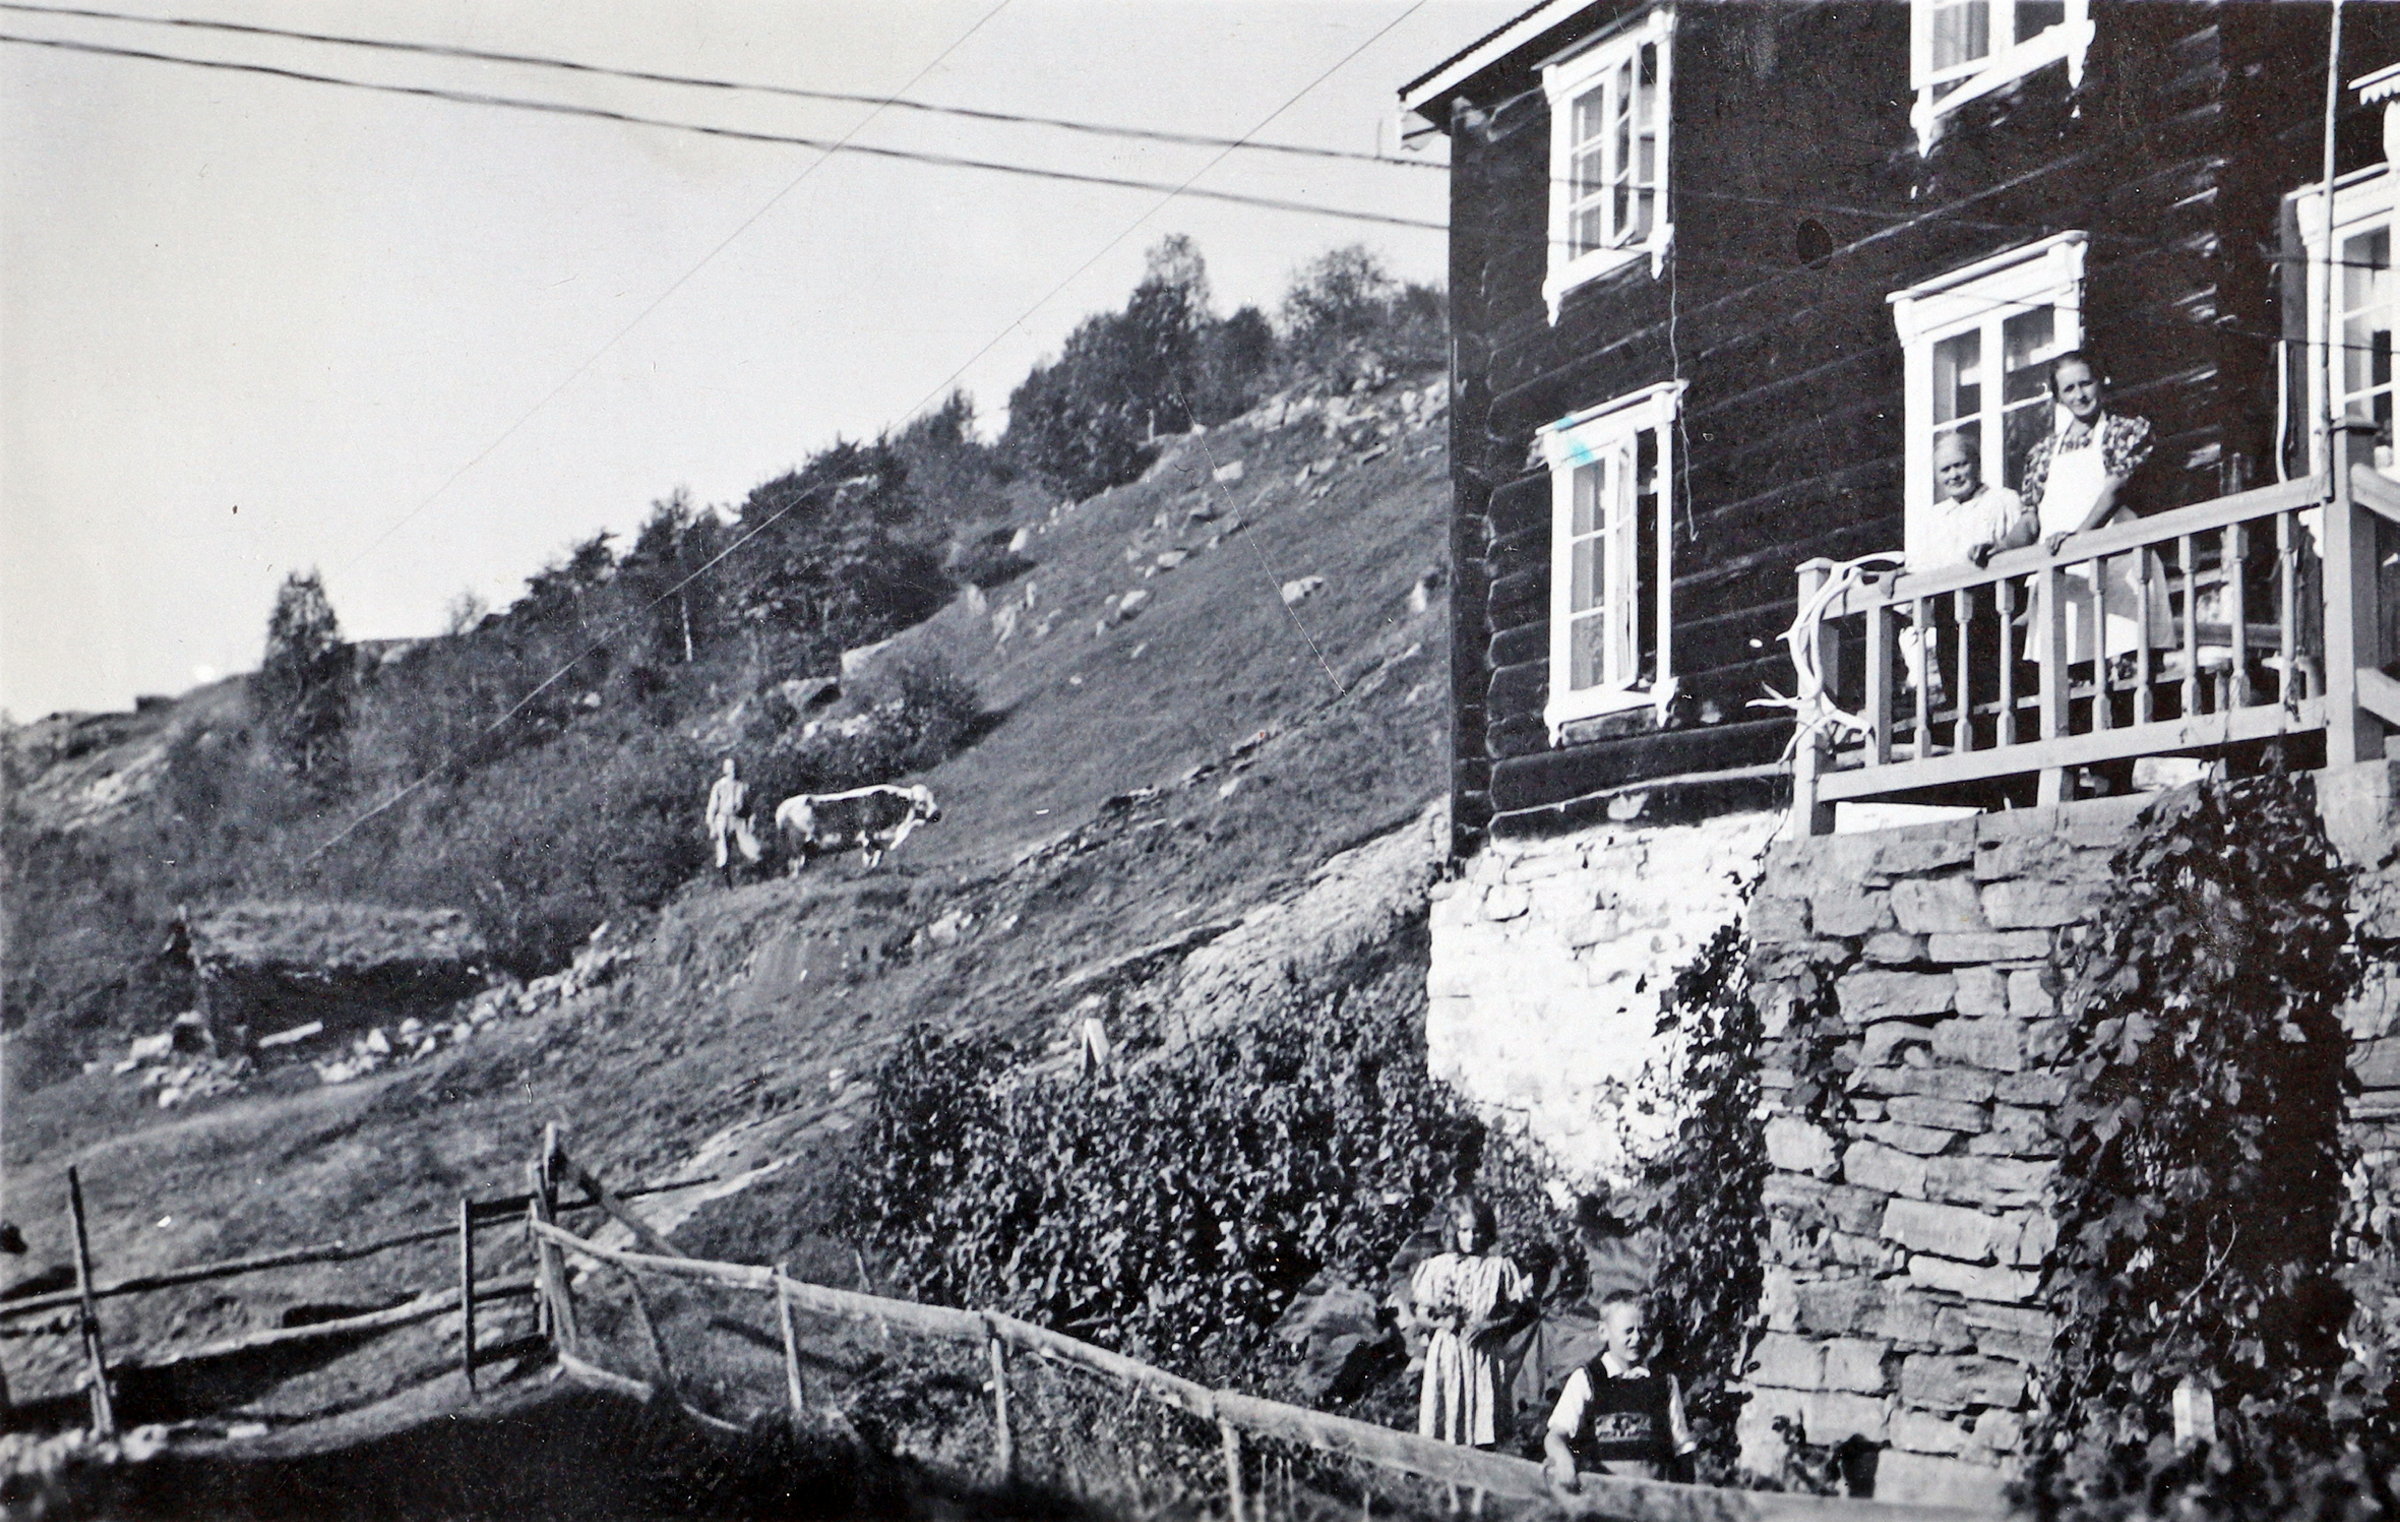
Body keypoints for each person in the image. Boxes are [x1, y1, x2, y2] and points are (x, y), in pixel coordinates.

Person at [2020, 351, 2168, 670]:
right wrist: (2001, 545)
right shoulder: (2042, 453)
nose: (2080, 395)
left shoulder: (2125, 431)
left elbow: (2115, 490)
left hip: (2120, 572)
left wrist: (2078, 539)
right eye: (2069, 389)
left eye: (2085, 383)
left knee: (2132, 673)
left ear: (2100, 383)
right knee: (2073, 678)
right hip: (2066, 580)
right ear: (2058, 397)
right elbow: (2029, 518)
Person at [1901, 434, 2037, 705]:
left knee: (2000, 691)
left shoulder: (2003, 500)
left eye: (1960, 465)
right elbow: (1920, 569)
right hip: (1950, 620)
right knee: (1961, 696)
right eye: (1945, 469)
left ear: (1976, 463)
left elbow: (2024, 550)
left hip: (1995, 611)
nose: (1954, 475)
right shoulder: (1934, 518)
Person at [1404, 1193, 1532, 1448]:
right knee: (1446, 1421)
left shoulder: (1497, 1267)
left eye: (1476, 1231)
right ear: (1454, 1231)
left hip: (1483, 1353)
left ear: (1487, 1232)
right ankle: (1445, 1472)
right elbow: (1421, 1311)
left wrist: (1489, 1326)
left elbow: (1519, 1312)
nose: (1471, 1238)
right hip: (1448, 1352)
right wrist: (1442, 1323)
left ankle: (1480, 1470)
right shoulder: (1437, 1266)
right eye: (1464, 1231)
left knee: (1482, 1426)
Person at [1543, 1291, 1695, 1489]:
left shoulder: (1664, 1383)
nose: (1637, 1338)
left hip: (1651, 1497)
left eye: (1644, 1329)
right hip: (1600, 1494)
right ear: (1603, 1332)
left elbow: (1682, 1446)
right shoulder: (1587, 1379)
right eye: (1628, 1331)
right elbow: (1555, 1435)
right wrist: (1562, 1458)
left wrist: (1687, 1494)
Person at [704, 757, 761, 888]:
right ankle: (729, 886)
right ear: (725, 770)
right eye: (729, 767)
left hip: (739, 819)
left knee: (753, 848)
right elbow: (712, 807)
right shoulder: (719, 786)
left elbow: (749, 807)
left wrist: (751, 821)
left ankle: (761, 879)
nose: (733, 770)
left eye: (734, 767)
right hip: (723, 819)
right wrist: (712, 826)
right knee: (723, 852)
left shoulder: (743, 786)